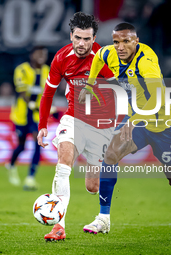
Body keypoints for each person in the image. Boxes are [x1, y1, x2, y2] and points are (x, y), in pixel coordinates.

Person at [80, 22, 171, 246]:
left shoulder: (147, 60)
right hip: (137, 122)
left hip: (162, 124)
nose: (120, 47)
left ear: (136, 41)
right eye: (116, 42)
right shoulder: (109, 53)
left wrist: (135, 119)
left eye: (126, 41)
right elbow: (98, 56)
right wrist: (90, 84)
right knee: (110, 155)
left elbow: (156, 97)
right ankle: (104, 217)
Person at [37, 12, 119, 242]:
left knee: (93, 186)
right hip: (73, 118)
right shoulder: (61, 58)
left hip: (100, 124)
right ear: (71, 35)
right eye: (78, 38)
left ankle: (103, 216)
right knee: (63, 163)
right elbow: (48, 93)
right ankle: (58, 226)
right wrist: (42, 125)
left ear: (94, 39)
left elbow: (120, 91)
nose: (82, 44)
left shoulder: (104, 58)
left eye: (87, 39)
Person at [6, 46, 49, 190]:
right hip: (21, 114)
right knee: (22, 145)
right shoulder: (22, 69)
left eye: (44, 53)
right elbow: (22, 92)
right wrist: (31, 104)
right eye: (39, 53)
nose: (42, 56)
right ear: (32, 55)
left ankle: (30, 177)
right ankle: (11, 165)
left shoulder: (47, 71)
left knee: (38, 142)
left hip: (37, 115)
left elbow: (47, 93)